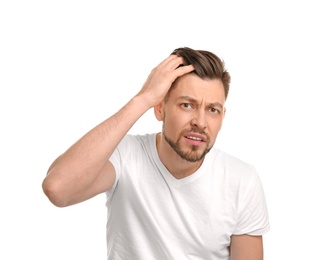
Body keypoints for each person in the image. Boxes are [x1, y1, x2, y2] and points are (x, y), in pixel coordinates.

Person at [42, 47, 270, 260]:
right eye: (187, 105)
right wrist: (142, 99)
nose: (200, 122)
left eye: (212, 110)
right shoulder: (126, 155)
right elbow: (57, 188)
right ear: (160, 108)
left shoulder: (242, 181)